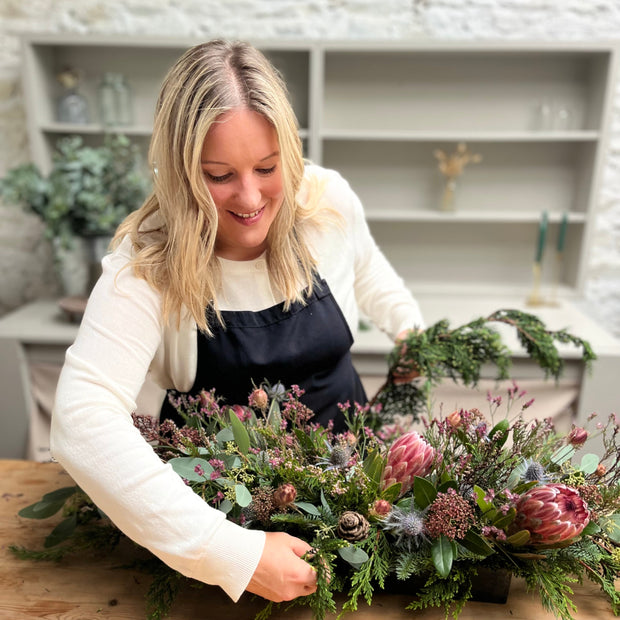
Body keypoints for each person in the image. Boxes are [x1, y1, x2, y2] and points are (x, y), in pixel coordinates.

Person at [51, 39, 424, 605]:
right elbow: (82, 418)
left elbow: (371, 275)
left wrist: (408, 331)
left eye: (268, 168)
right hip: (222, 506)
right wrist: (231, 552)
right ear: (179, 173)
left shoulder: (327, 204)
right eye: (218, 175)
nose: (250, 197)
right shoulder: (147, 262)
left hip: (352, 478)